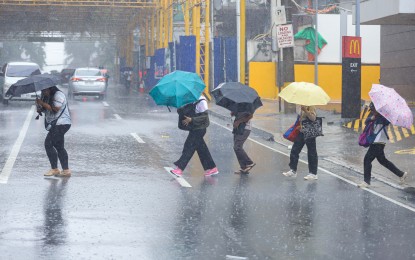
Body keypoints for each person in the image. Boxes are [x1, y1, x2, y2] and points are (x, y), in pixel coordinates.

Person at [357, 103, 408, 188]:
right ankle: (401, 174)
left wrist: (376, 117)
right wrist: (371, 118)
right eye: (371, 110)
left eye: (373, 110)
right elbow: (366, 121)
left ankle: (366, 182)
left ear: (377, 109)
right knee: (383, 161)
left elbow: (385, 122)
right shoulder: (375, 116)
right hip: (376, 141)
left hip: (379, 142)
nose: (372, 112)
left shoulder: (384, 117)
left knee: (367, 160)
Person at [171, 96, 219, 177]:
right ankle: (212, 168)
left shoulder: (202, 101)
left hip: (200, 129)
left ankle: (180, 169)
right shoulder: (190, 100)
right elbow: (184, 111)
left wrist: (192, 120)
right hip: (194, 128)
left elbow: (204, 117)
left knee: (189, 147)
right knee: (202, 149)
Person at [36, 86, 72, 177]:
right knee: (59, 146)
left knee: (48, 144)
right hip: (55, 124)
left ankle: (55, 169)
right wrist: (40, 108)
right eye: (42, 90)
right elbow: (47, 109)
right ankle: (66, 170)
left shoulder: (58, 95)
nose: (43, 92)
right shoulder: (46, 96)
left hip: (62, 123)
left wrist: (42, 103)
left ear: (50, 89)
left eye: (45, 90)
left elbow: (55, 109)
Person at [282, 105, 318, 180]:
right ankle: (293, 170)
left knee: (312, 152)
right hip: (301, 132)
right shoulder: (302, 106)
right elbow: (301, 119)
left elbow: (313, 119)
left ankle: (313, 173)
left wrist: (306, 110)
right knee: (295, 150)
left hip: (309, 132)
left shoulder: (311, 107)